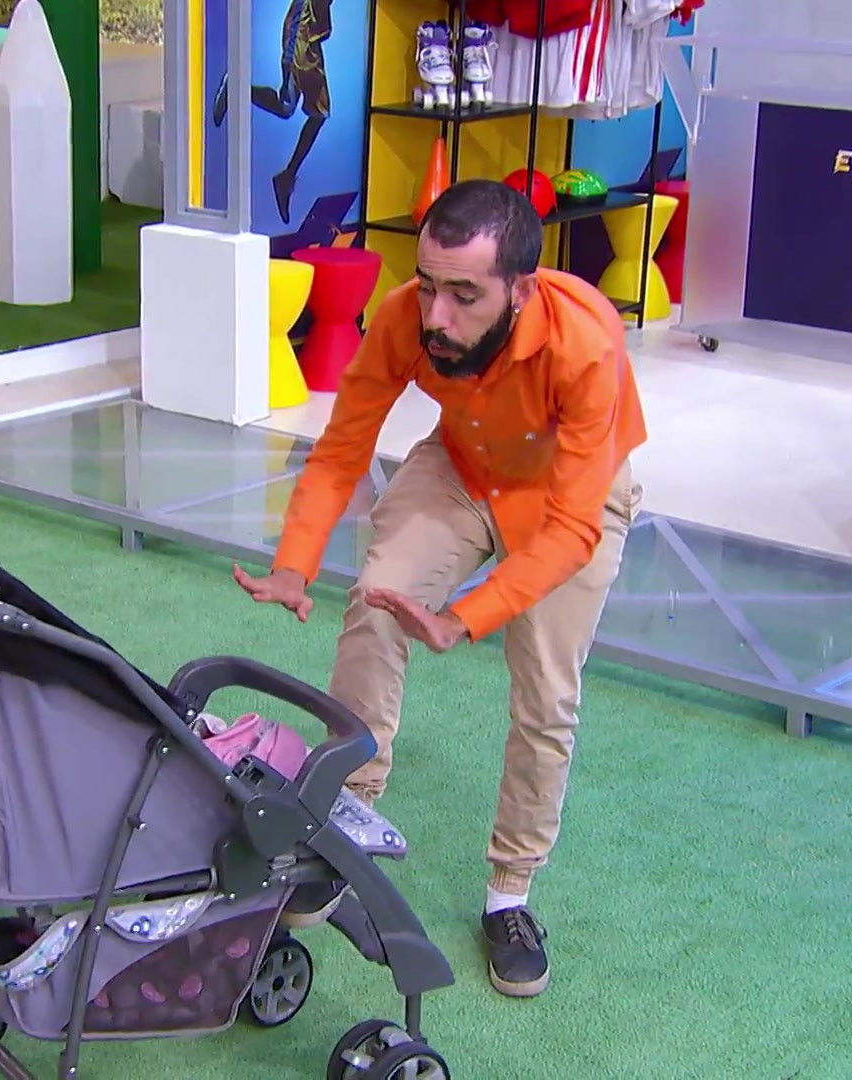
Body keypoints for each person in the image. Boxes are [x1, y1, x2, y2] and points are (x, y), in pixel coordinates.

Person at [232, 179, 646, 998]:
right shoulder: (403, 318)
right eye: (427, 285)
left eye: (464, 295)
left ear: (519, 289)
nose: (436, 316)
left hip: (570, 499)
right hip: (461, 468)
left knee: (546, 694)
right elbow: (343, 449)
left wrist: (466, 616)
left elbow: (572, 527)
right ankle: (345, 817)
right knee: (377, 597)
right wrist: (294, 562)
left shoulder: (586, 343)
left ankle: (510, 894)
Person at [210, 0, 332, 223]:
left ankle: (236, 88)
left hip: (308, 40)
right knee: (309, 110)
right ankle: (286, 177)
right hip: (302, 38)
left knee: (291, 107)